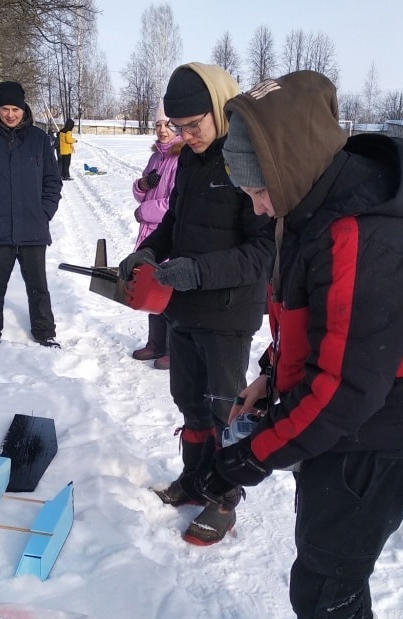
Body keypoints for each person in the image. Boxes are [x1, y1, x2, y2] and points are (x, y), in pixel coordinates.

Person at [191, 71, 403, 619]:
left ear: (286, 165)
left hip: (383, 437)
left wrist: (252, 457)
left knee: (326, 576)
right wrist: (265, 380)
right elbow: (311, 332)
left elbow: (344, 390)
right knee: (336, 565)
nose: (252, 203)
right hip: (358, 429)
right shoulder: (312, 216)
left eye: (255, 186)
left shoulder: (368, 238)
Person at [118, 63, 275, 546]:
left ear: (221, 108)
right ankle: (195, 480)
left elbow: (264, 253)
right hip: (183, 306)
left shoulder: (248, 161)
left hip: (228, 312)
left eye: (195, 124)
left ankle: (223, 499)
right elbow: (175, 225)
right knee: (189, 401)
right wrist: (150, 249)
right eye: (179, 126)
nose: (187, 134)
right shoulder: (189, 159)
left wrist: (200, 272)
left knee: (224, 409)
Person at [0, 81, 62, 347]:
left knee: (38, 287)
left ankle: (44, 332)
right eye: (5, 108)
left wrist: (45, 213)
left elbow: (53, 181)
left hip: (33, 226)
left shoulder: (39, 140)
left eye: (15, 109)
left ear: (23, 109)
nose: (10, 114)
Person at [129, 99, 183, 371]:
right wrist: (141, 185)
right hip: (149, 234)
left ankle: (174, 350)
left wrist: (144, 210)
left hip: (167, 235)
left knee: (169, 294)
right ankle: (155, 343)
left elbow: (174, 205)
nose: (163, 130)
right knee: (151, 289)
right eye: (159, 125)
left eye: (169, 125)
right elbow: (142, 192)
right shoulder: (156, 157)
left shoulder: (181, 157)